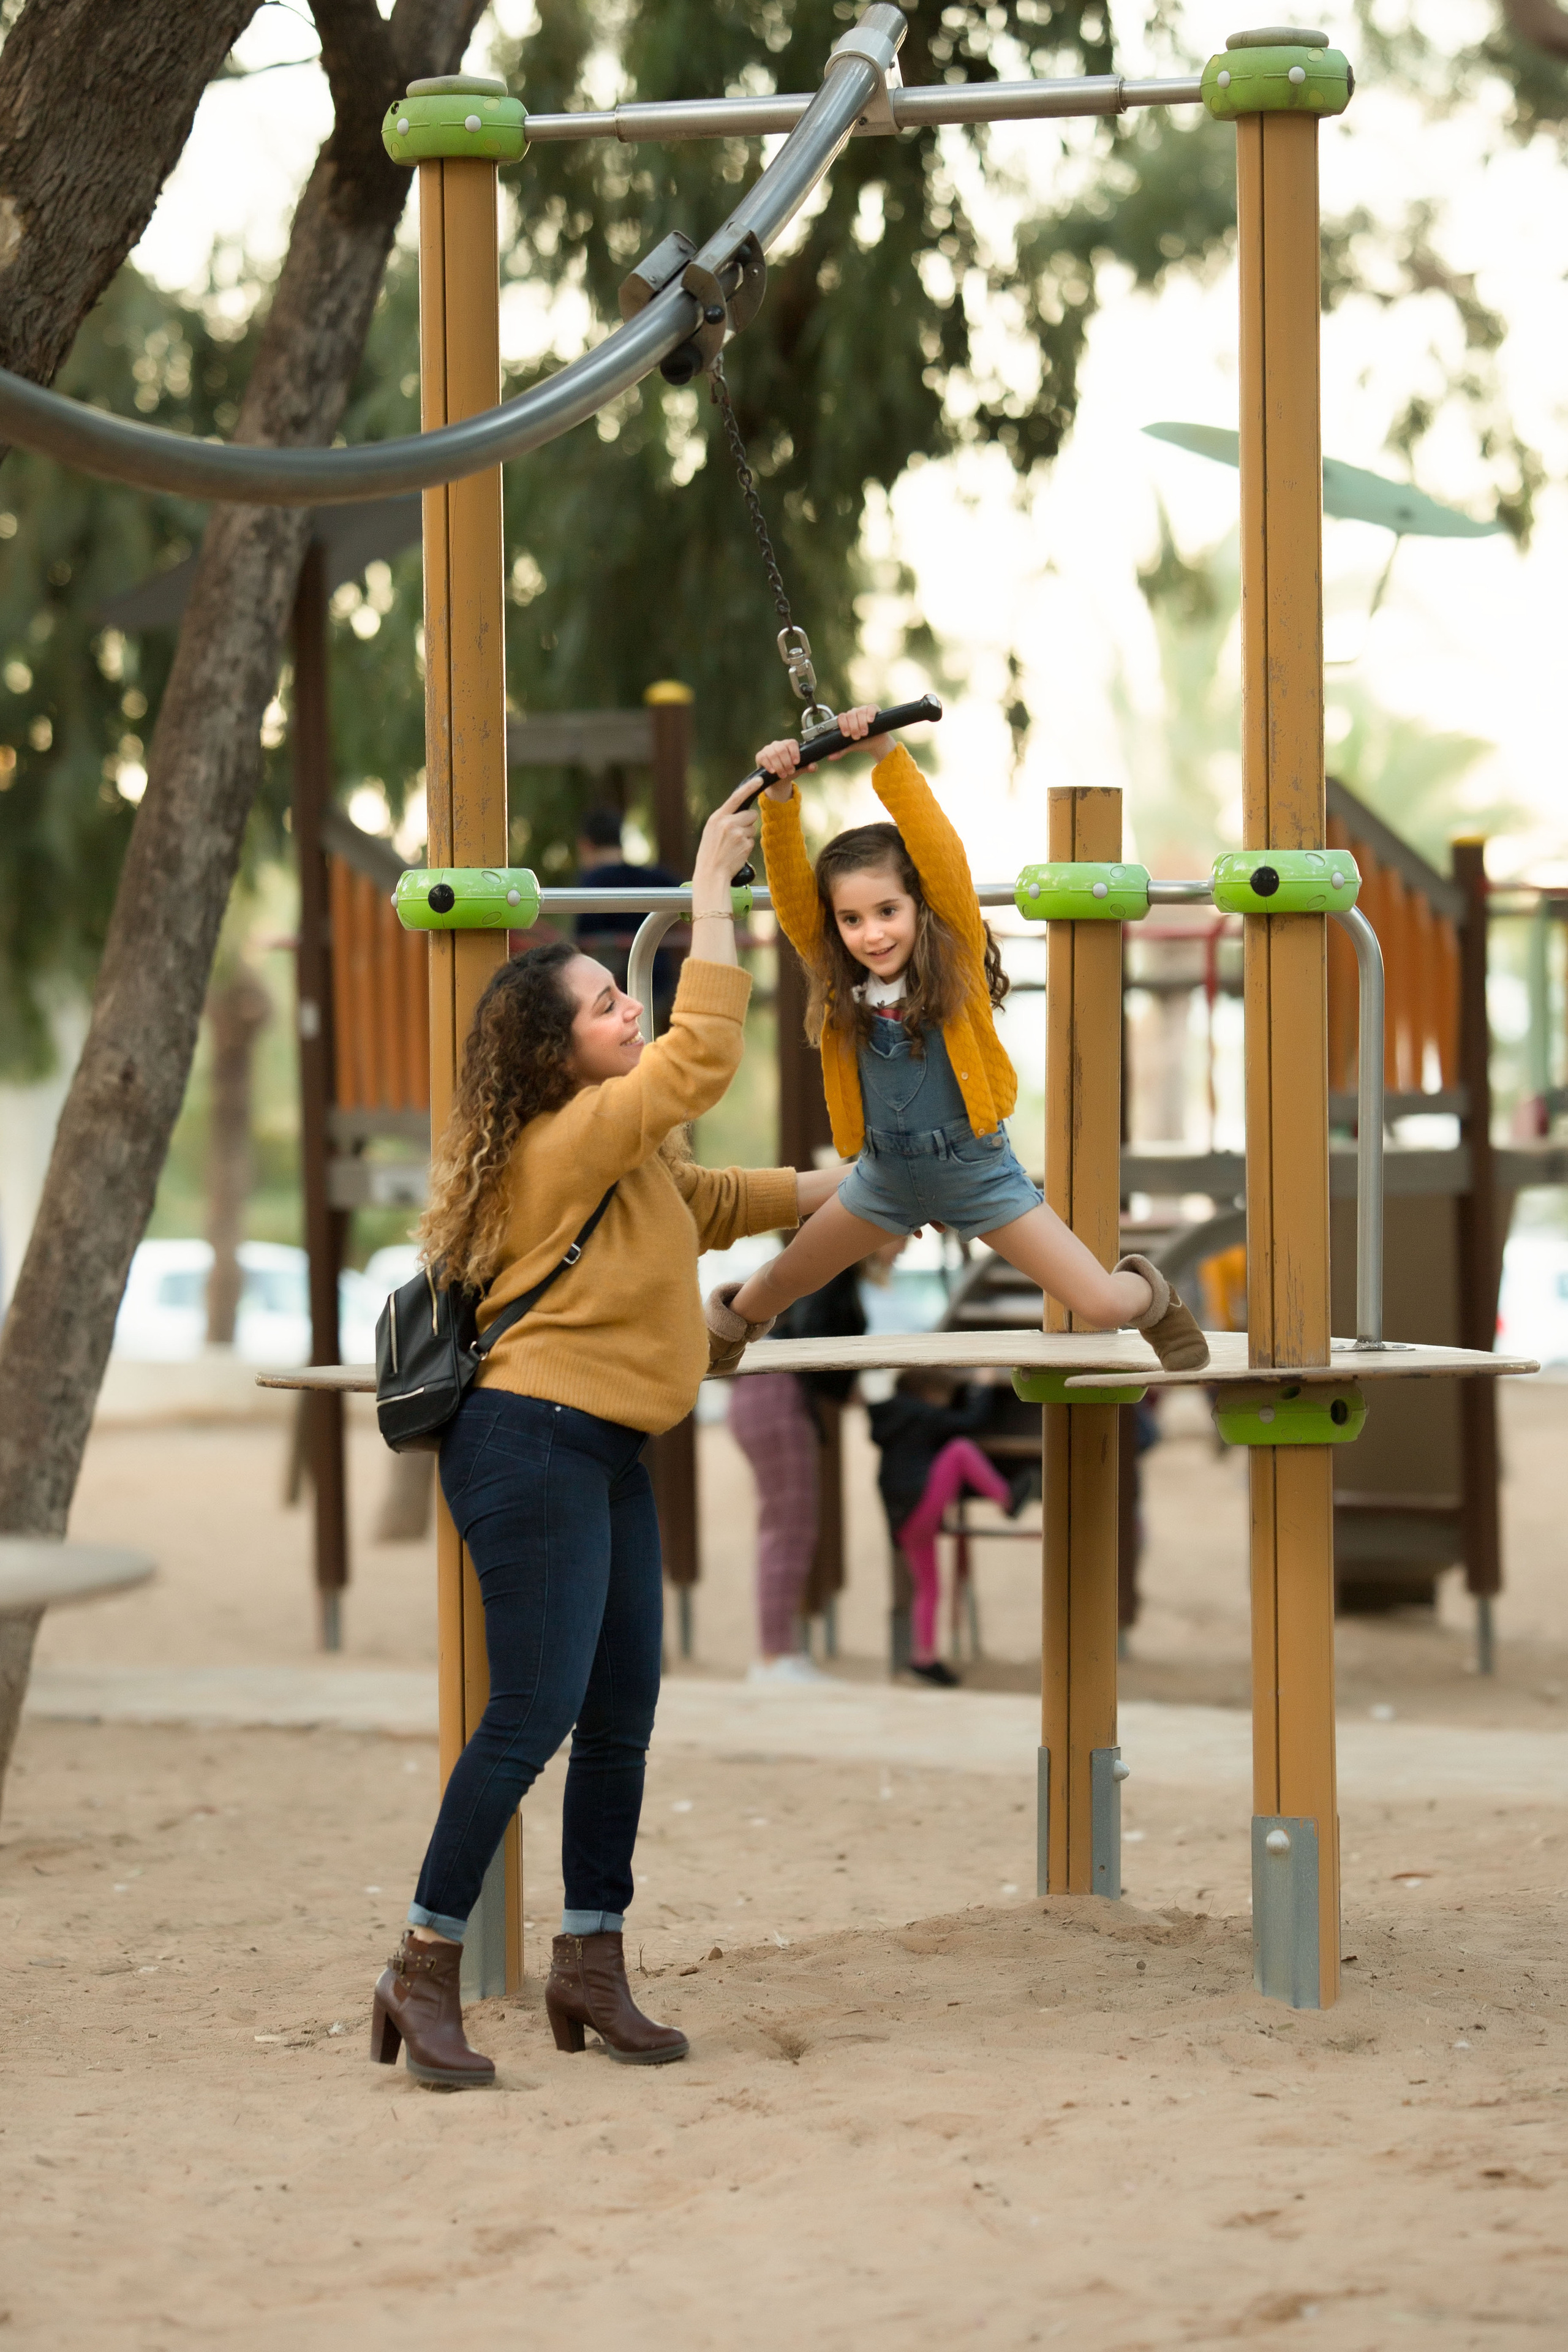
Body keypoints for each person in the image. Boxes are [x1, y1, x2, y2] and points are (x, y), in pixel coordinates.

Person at [370, 780, 843, 2089]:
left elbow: (708, 1197)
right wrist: (708, 886)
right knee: (528, 1714)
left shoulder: (618, 1154)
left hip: (603, 1451)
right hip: (529, 1444)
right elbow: (703, 1057)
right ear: (554, 1052)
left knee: (620, 1715)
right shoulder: (561, 1140)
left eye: (620, 993)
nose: (626, 1009)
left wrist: (861, 1187)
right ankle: (419, 1967)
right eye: (604, 1003)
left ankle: (590, 1960)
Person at [703, 707, 1208, 1376]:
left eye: (887, 912)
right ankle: (726, 1326)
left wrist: (883, 752)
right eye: (852, 920)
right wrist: (780, 795)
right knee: (775, 1285)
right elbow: (797, 900)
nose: (872, 934)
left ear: (919, 906)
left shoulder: (954, 962)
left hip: (978, 1174)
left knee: (1100, 1302)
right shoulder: (838, 980)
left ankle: (1154, 1297)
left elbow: (938, 851)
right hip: (880, 1182)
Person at [726, 1261, 867, 1684]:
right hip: (777, 1393)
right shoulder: (836, 1273)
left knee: (790, 1527)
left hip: (767, 1391)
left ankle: (779, 1652)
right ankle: (772, 1658)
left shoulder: (836, 1272)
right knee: (787, 1529)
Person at [867, 1370, 1026, 1687]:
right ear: (927, 1390)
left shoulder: (892, 1416)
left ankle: (924, 1659)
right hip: (919, 1506)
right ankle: (1006, 1499)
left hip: (901, 1519)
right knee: (960, 1452)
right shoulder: (920, 1413)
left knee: (928, 1588)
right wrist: (981, 1388)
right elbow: (968, 1422)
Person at [575, 804, 681, 1017]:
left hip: (610, 985)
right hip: (657, 979)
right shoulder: (657, 878)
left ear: (586, 846)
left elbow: (585, 940)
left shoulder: (589, 883)